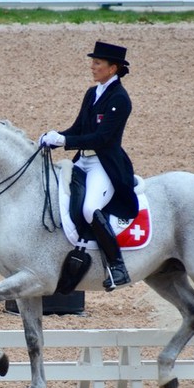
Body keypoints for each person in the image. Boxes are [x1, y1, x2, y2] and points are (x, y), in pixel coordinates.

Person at [41, 41, 139, 291]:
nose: (92, 67)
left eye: (97, 63)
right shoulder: (92, 93)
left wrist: (65, 141)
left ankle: (117, 266)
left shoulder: (120, 99)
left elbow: (102, 138)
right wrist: (55, 137)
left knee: (89, 208)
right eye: (93, 62)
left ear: (112, 68)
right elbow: (79, 129)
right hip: (82, 160)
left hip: (103, 164)